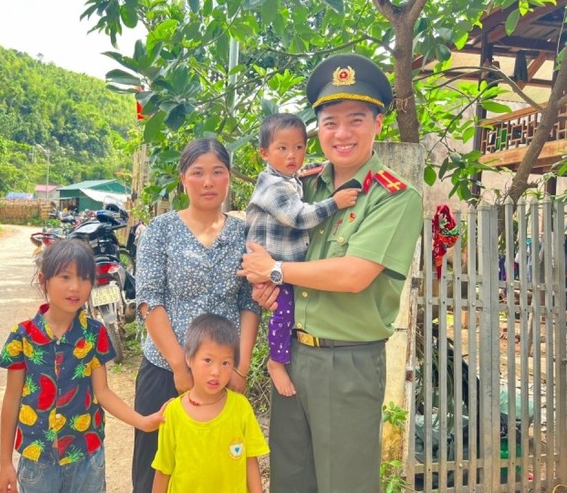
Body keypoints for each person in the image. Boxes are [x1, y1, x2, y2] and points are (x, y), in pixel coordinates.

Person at [239, 54, 424, 492]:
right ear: (317, 130)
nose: (342, 133)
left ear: (378, 123)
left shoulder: (393, 197)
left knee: (344, 484)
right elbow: (277, 253)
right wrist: (269, 285)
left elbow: (354, 274)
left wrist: (278, 271)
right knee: (291, 479)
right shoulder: (304, 186)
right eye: (329, 122)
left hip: (348, 361)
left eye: (355, 119)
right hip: (292, 354)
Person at [132, 137, 261, 493]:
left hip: (223, 373)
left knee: (219, 468)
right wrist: (179, 364)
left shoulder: (244, 233)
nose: (208, 182)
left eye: (217, 172)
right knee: (154, 471)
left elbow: (250, 303)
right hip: (164, 371)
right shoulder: (160, 231)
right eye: (198, 172)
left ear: (229, 178)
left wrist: (241, 367)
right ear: (183, 178)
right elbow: (149, 300)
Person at [0, 239, 167, 493]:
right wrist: (4, 464)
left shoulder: (95, 333)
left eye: (84, 278)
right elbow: (12, 400)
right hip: (37, 460)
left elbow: (103, 393)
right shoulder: (23, 336)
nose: (75, 287)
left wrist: (142, 421)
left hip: (86, 460)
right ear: (44, 280)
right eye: (65, 277)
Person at [246, 112, 359, 396]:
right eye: (282, 148)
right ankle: (275, 362)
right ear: (264, 153)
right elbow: (297, 216)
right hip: (270, 264)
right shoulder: (271, 186)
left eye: (298, 147)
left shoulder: (290, 178)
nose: (292, 155)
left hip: (281, 265)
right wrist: (334, 202)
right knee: (284, 312)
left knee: (290, 311)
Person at [151, 314, 269, 493]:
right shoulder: (173, 413)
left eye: (226, 363)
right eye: (207, 360)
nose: (216, 371)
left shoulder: (240, 407)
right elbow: (163, 469)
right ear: (189, 359)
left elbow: (250, 460)